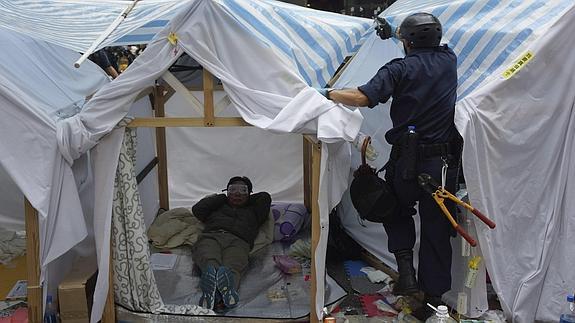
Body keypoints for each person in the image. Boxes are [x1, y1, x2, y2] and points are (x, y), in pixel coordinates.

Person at [319, 13, 462, 320]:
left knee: (393, 210)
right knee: (436, 228)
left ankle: (406, 272)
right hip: (441, 165)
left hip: (406, 161)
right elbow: (427, 43)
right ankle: (434, 299)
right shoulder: (448, 60)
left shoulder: (399, 68)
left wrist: (327, 93)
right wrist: (398, 34)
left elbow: (361, 97)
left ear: (406, 42)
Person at [191, 176, 271, 311]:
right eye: (232, 189)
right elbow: (197, 209)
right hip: (212, 236)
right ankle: (218, 296)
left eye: (242, 190)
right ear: (226, 191)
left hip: (239, 241)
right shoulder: (218, 206)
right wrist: (222, 198)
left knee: (233, 266)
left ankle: (218, 296)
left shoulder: (255, 211)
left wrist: (245, 198)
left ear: (249, 193)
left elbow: (265, 197)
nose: (237, 194)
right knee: (209, 260)